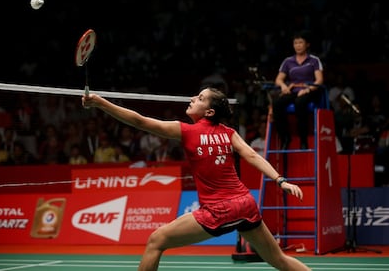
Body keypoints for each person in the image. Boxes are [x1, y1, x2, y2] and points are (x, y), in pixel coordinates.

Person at [82, 86, 311, 271]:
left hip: (218, 210)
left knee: (156, 241)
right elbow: (251, 155)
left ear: (209, 112)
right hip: (245, 205)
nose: (192, 98)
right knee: (279, 260)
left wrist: (100, 103)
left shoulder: (186, 131)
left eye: (200, 98)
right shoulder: (229, 133)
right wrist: (281, 180)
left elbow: (139, 121)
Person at [273, 30, 324, 149]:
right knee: (277, 103)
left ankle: (303, 139)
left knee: (299, 102)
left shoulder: (314, 60)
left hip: (310, 91)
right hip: (294, 90)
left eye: (301, 42)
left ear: (307, 44)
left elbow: (319, 80)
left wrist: (308, 89)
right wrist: (283, 86)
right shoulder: (288, 61)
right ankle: (285, 138)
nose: (298, 45)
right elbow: (278, 79)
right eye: (295, 43)